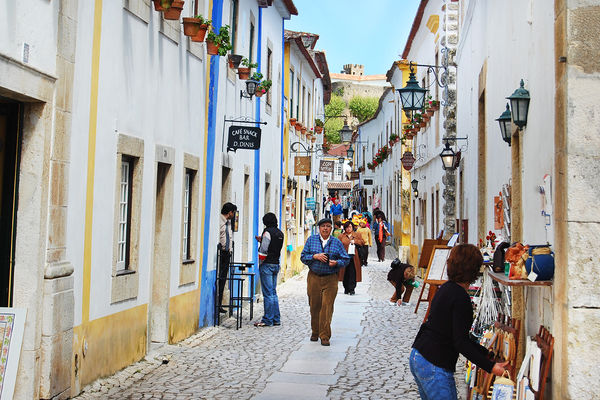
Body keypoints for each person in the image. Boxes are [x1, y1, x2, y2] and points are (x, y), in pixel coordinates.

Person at [410, 244, 509, 399]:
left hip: (419, 355)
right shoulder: (460, 298)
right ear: (473, 269)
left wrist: (485, 354)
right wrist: (491, 367)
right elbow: (460, 342)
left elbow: (455, 333)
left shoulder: (446, 289)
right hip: (434, 362)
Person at [300, 218, 350, 346]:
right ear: (319, 228)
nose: (325, 228)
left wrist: (337, 263)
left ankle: (325, 335)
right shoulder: (311, 240)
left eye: (328, 226)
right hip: (314, 277)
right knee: (314, 306)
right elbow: (303, 257)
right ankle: (315, 332)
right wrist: (314, 256)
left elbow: (345, 259)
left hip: (330, 278)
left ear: (331, 228)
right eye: (323, 226)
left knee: (327, 307)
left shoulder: (336, 243)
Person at [254, 213, 285, 327]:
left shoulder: (267, 232)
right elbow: (274, 245)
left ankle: (267, 319)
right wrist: (262, 240)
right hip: (276, 263)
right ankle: (276, 318)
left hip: (267, 264)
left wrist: (261, 262)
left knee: (267, 294)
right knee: (273, 293)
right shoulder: (280, 233)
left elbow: (264, 249)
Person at [217, 202, 237, 313]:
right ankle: (218, 304)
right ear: (230, 212)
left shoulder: (228, 223)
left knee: (223, 279)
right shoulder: (220, 221)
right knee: (220, 279)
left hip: (227, 253)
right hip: (222, 253)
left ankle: (219, 304)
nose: (233, 215)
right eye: (233, 213)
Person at [337, 221, 365, 295]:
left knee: (353, 273)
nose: (348, 229)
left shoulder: (357, 235)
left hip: (354, 257)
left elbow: (362, 242)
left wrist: (355, 241)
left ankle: (352, 289)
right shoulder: (341, 236)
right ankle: (346, 288)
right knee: (345, 272)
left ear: (352, 227)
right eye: (347, 227)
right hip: (344, 257)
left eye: (350, 227)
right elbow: (338, 246)